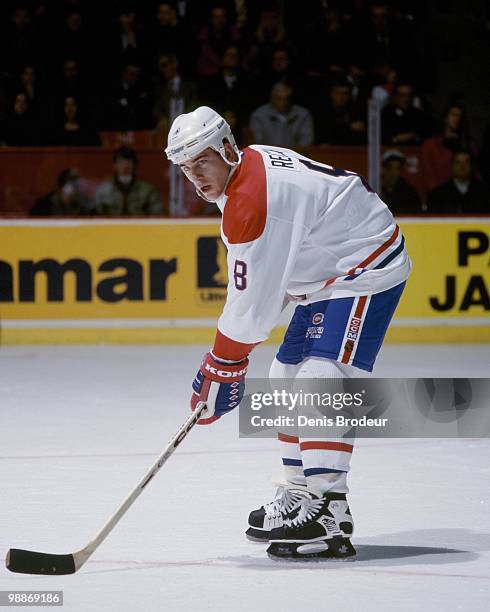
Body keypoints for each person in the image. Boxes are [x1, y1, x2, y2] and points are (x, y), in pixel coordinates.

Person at [165, 107, 411, 561]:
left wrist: (223, 364)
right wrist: (227, 361)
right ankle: (300, 493)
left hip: (364, 264)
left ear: (227, 149)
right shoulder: (244, 176)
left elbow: (252, 310)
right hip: (323, 271)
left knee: (320, 373)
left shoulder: (252, 198)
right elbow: (261, 289)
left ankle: (329, 506)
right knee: (285, 372)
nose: (193, 175)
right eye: (184, 166)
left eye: (201, 161)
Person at [95, 146, 163, 216]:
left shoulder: (148, 191)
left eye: (128, 162)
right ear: (114, 165)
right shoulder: (103, 190)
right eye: (121, 162)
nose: (125, 166)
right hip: (110, 226)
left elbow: (157, 216)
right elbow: (96, 216)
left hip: (140, 226)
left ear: (135, 165)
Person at [249, 83, 314, 147]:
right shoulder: (259, 115)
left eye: (286, 99)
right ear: (272, 98)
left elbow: (307, 139)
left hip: (296, 154)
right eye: (279, 98)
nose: (283, 103)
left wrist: (294, 152)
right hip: (268, 154)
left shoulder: (303, 114)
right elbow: (257, 141)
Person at [426, 150, 489, 214]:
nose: (462, 166)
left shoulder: (484, 193)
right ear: (452, 166)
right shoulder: (438, 195)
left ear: (471, 166)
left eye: (466, 162)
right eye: (458, 162)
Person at [381, 150, 423, 214]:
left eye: (397, 168)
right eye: (389, 167)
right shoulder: (373, 190)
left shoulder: (410, 194)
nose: (393, 173)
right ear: (383, 168)